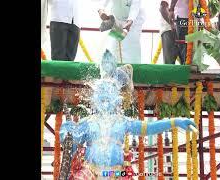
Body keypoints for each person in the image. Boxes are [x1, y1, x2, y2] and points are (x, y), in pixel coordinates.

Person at [59, 50, 196, 179]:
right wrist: (67, 134)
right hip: (90, 173)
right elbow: (72, 145)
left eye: (109, 93)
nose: (105, 97)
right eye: (101, 92)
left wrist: (175, 122)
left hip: (118, 174)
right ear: (93, 98)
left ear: (117, 99)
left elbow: (148, 128)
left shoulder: (123, 122)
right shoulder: (87, 122)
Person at [97, 0, 145, 64]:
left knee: (131, 49)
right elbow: (102, 2)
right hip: (117, 19)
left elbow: (135, 7)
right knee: (114, 47)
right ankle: (115, 71)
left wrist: (130, 21)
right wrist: (101, 11)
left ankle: (132, 70)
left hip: (134, 22)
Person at [169, 0, 189, 64]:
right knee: (184, 44)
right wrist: (171, 10)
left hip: (195, 17)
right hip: (183, 16)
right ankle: (184, 65)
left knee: (192, 43)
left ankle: (190, 66)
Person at [159, 0, 179, 64]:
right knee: (169, 63)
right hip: (169, 31)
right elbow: (163, 8)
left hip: (179, 30)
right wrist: (172, 24)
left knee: (185, 62)